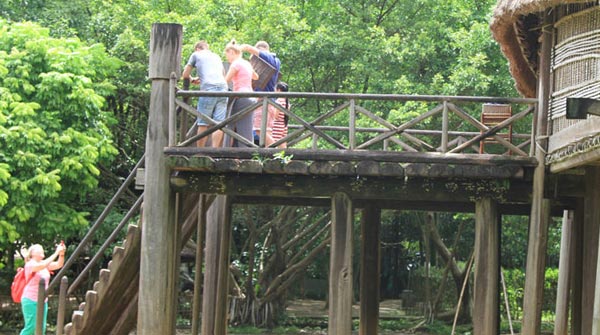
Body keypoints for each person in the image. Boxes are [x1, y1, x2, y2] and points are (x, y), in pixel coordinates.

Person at [182, 40, 228, 147]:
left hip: (208, 89)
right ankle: (215, 150)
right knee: (219, 123)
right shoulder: (216, 56)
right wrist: (200, 78)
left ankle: (200, 152)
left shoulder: (196, 55)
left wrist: (192, 79)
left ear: (197, 48)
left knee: (203, 122)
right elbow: (223, 74)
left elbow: (185, 74)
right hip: (223, 88)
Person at [240, 41, 281, 146]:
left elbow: (248, 47)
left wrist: (238, 49)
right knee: (266, 131)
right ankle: (270, 157)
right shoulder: (276, 61)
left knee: (259, 130)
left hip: (263, 101)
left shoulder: (269, 57)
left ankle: (280, 156)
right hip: (270, 101)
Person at [20, 242, 66, 335]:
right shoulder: (30, 264)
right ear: (32, 253)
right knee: (31, 327)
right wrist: (56, 252)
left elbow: (59, 265)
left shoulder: (44, 264)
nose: (41, 249)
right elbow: (43, 265)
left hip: (42, 300)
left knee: (42, 327)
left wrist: (61, 254)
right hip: (30, 299)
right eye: (38, 248)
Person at [224, 39, 259, 147]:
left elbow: (226, 80)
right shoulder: (247, 63)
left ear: (232, 52)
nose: (227, 59)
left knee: (229, 123)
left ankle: (226, 151)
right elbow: (256, 77)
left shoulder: (236, 64)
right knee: (247, 126)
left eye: (227, 55)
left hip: (241, 96)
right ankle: (248, 152)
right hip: (251, 97)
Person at [271, 81, 290, 148]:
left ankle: (272, 156)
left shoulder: (279, 101)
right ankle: (285, 157)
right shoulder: (286, 101)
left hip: (277, 125)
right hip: (284, 124)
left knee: (274, 143)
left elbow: (276, 115)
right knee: (283, 143)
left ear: (278, 90)